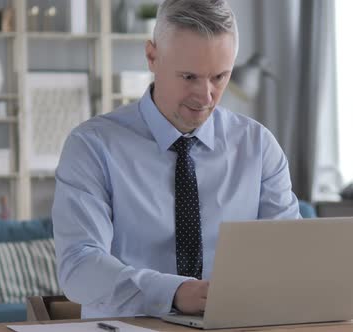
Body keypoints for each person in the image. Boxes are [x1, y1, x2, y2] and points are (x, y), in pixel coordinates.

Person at [52, 0, 300, 319]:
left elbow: (288, 257)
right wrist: (173, 292)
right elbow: (79, 266)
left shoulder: (258, 146)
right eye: (189, 77)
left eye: (219, 77)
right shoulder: (92, 146)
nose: (206, 95)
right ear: (152, 57)